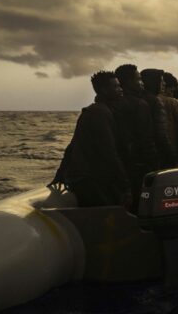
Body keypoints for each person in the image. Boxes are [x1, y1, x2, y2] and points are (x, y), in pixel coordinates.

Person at [49, 71, 130, 208]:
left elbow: (72, 146)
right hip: (92, 182)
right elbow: (108, 152)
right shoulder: (100, 114)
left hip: (84, 180)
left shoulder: (93, 111)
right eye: (116, 87)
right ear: (104, 90)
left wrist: (59, 176)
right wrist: (125, 185)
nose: (120, 89)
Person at [113, 63, 160, 202]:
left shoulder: (113, 104)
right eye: (138, 79)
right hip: (137, 165)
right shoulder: (140, 104)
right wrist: (154, 164)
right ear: (128, 82)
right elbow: (147, 138)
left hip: (119, 164)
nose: (142, 83)